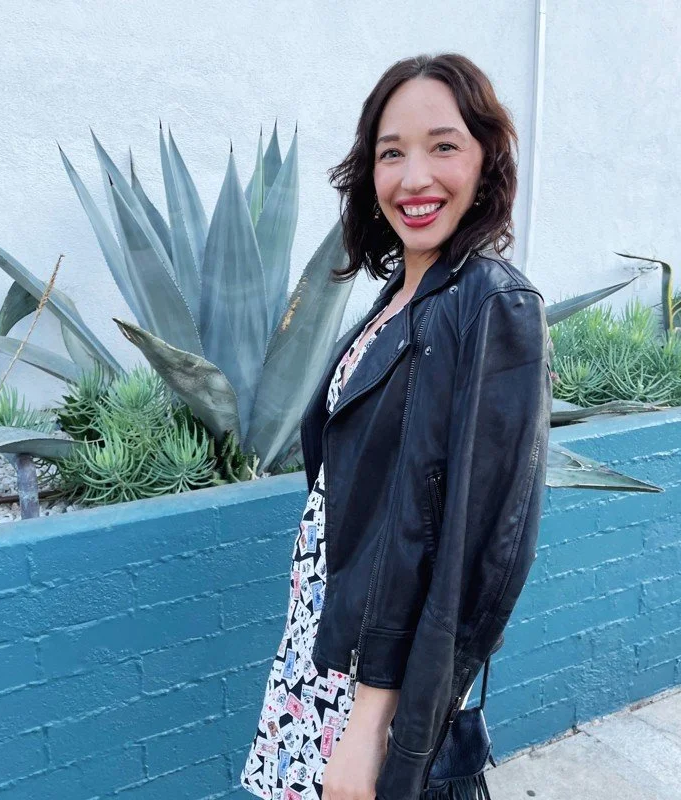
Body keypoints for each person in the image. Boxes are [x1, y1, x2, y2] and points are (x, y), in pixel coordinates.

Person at [241, 52, 552, 800]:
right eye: (391, 153)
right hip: (321, 656)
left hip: (368, 691)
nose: (414, 179)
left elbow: (464, 547)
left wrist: (374, 724)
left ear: (486, 159)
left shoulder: (490, 304)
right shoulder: (400, 295)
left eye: (443, 146)